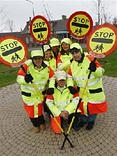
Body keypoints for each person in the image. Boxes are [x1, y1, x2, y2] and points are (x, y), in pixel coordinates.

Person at [67, 43, 107, 130]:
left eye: (76, 52)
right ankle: (84, 120)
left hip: (93, 92)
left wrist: (95, 70)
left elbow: (100, 72)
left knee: (93, 109)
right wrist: (70, 86)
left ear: (80, 51)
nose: (75, 55)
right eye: (72, 53)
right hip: (82, 92)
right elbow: (69, 76)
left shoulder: (90, 59)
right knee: (83, 108)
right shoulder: (73, 63)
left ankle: (91, 121)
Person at [16, 49, 55, 133]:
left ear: (42, 58)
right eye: (35, 58)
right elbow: (19, 79)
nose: (38, 60)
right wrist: (25, 80)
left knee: (40, 111)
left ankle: (42, 124)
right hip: (29, 96)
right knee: (31, 112)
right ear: (32, 59)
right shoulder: (26, 67)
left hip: (40, 95)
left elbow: (52, 77)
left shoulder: (47, 67)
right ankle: (36, 126)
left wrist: (51, 87)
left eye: (39, 58)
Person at [46, 70, 79, 134]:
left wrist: (67, 111)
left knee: (77, 114)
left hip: (68, 110)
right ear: (56, 80)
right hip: (57, 111)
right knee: (58, 130)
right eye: (60, 80)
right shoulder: (51, 90)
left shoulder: (71, 88)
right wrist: (59, 113)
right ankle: (60, 119)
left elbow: (76, 100)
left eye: (63, 80)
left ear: (66, 80)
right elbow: (49, 103)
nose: (61, 82)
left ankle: (70, 121)